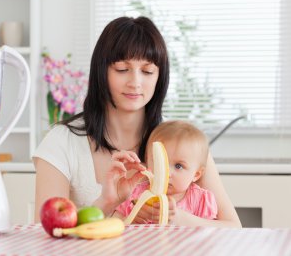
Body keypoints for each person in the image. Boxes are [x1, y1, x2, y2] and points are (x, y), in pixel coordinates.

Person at [33, 16, 241, 227]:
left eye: (147, 71)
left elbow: (234, 227)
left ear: (159, 77)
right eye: (122, 69)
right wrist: (108, 202)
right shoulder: (61, 142)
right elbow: (46, 232)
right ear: (101, 71)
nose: (135, 82)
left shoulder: (183, 141)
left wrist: (178, 219)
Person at [115, 120, 218, 224]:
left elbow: (213, 233)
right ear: (147, 161)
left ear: (196, 175)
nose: (167, 174)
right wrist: (131, 220)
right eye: (159, 162)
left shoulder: (201, 200)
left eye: (179, 166)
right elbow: (115, 224)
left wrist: (180, 218)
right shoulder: (134, 194)